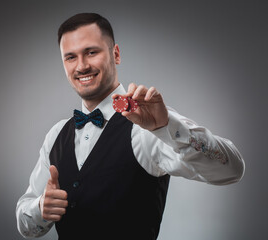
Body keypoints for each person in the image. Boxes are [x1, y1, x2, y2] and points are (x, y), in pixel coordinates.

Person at [16, 13, 245, 240]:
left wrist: (165, 126)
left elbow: (232, 170)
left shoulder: (147, 124)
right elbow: (27, 227)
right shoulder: (56, 135)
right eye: (70, 57)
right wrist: (41, 208)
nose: (82, 66)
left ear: (115, 54)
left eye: (91, 52)